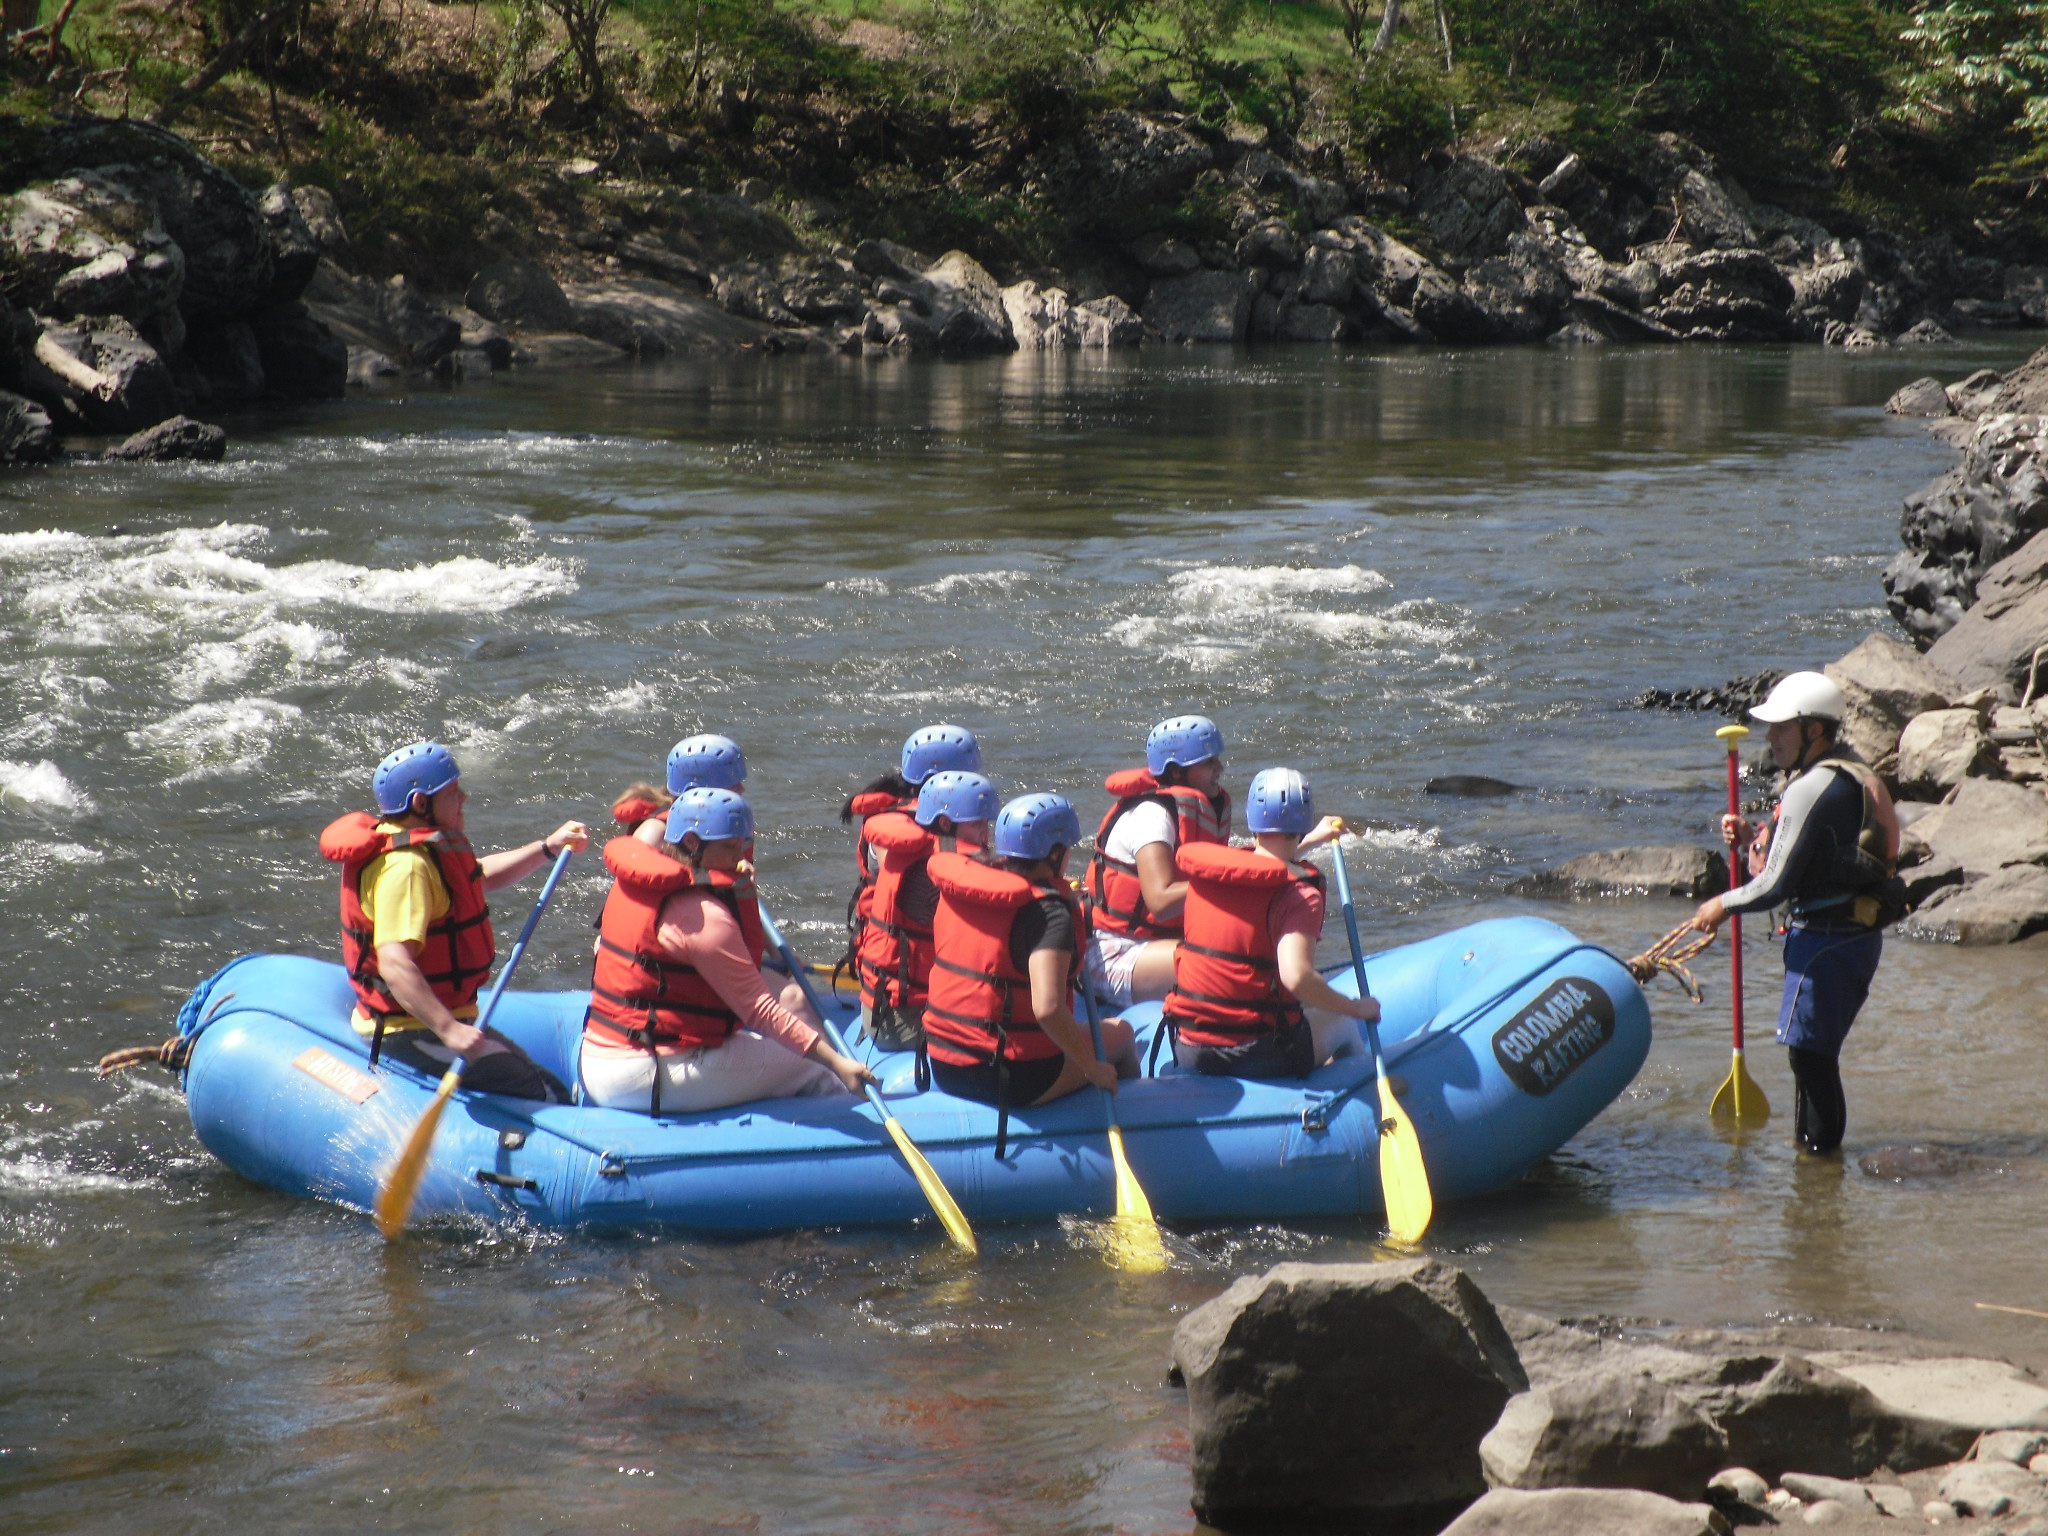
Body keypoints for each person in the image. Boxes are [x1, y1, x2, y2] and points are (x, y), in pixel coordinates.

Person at [1688, 671, 1900, 1155]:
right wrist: (1750, 838)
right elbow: (1808, 854)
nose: (1769, 737)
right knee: (1810, 1059)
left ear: (1814, 731)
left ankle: (1819, 1176)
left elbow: (1774, 886)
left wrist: (1721, 904)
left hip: (1829, 940)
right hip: (1846, 935)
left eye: (1781, 728)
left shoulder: (1813, 787)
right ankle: (1815, 1169)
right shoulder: (1839, 772)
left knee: (1812, 1061)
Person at [318, 741, 590, 1100]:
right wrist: (449, 1030)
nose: (463, 798)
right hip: (410, 1030)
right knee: (541, 1093)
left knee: (545, 1084)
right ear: (420, 803)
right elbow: (395, 963)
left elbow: (481, 875)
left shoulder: (416, 849)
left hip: (429, 1022)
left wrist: (547, 848)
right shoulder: (407, 868)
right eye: (452, 792)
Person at [580, 787, 877, 1115]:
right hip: (644, 1074)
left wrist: (738, 888)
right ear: (692, 842)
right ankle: (854, 1127)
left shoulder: (631, 885)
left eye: (743, 844)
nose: (740, 856)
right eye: (730, 846)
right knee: (811, 1064)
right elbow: (759, 1010)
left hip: (597, 1059)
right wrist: (838, 1063)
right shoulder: (702, 916)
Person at [924, 792, 1139, 1157]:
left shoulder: (971, 885)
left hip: (945, 1062)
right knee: (1121, 1033)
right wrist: (1091, 1068)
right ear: (1055, 852)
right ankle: (1138, 1127)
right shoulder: (1049, 914)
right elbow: (1049, 1008)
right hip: (1013, 1077)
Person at [1082, 715, 1340, 1008]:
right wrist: (1240, 879)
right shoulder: (1151, 817)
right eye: (1209, 763)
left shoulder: (1190, 808)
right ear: (1177, 772)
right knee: (1235, 962)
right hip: (1115, 953)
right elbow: (1160, 900)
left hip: (1157, 944)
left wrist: (1309, 839)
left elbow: (1246, 866)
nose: (1220, 768)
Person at [1161, 768, 1379, 1079]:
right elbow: (1296, 978)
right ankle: (1361, 1091)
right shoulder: (1301, 896)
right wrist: (1354, 1008)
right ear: (1303, 822)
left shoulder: (1212, 876)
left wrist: (1313, 839)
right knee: (1342, 1021)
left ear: (1253, 820)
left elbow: (1267, 865)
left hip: (1188, 1044)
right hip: (1250, 1052)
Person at [854, 770, 1000, 1057]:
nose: (986, 832)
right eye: (979, 822)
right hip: (901, 1021)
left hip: (889, 1009)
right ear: (945, 822)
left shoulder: (924, 854)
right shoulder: (930, 874)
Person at [840, 723, 982, 986]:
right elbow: (918, 894)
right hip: (899, 971)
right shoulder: (896, 834)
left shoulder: (945, 823)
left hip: (925, 961)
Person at [629, 733, 747, 848]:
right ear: (697, 790)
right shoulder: (655, 833)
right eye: (734, 785)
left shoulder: (730, 825)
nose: (742, 790)